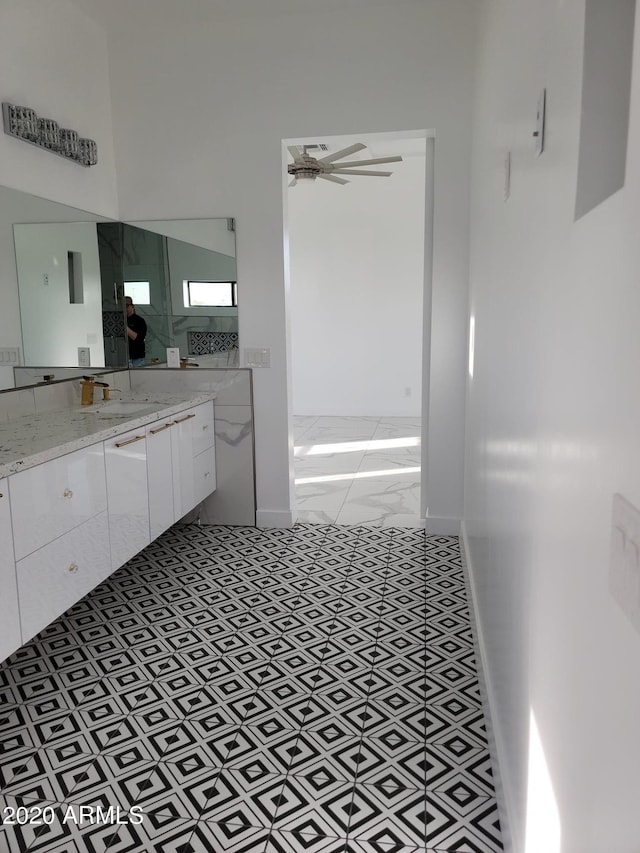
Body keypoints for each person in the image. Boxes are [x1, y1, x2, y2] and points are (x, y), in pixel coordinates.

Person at [125, 296, 147, 367]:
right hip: (124, 358)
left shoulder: (139, 321)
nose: (125, 308)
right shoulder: (120, 320)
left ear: (132, 306)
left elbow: (137, 338)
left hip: (137, 358)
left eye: (127, 306)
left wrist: (126, 328)